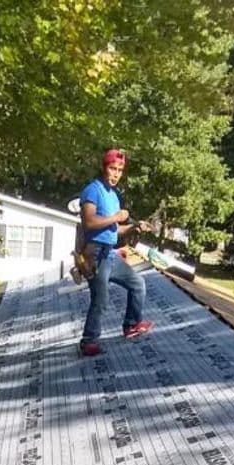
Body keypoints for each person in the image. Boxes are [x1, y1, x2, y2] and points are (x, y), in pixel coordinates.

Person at [77, 148, 153, 356]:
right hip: (95, 254)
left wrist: (134, 227)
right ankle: (89, 342)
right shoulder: (92, 191)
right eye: (112, 168)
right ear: (104, 168)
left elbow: (114, 230)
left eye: (120, 170)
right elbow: (89, 222)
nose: (116, 174)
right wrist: (116, 217)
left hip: (110, 252)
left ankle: (131, 325)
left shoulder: (113, 196)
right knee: (100, 299)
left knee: (138, 284)